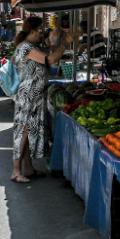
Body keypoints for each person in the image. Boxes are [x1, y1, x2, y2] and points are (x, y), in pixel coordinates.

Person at [11, 17, 72, 183]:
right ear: (31, 31)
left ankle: (28, 168)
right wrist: (65, 43)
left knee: (28, 132)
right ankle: (16, 171)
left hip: (34, 95)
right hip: (27, 96)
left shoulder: (29, 47)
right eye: (40, 31)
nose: (41, 34)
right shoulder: (26, 47)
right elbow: (50, 59)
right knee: (22, 132)